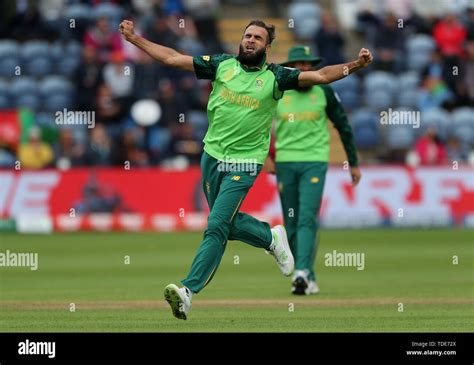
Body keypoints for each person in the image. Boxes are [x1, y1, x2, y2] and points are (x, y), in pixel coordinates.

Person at [119, 18, 372, 320]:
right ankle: (270, 238)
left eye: (258, 38)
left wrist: (355, 65)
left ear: (267, 47)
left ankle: (188, 290)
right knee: (225, 222)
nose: (250, 41)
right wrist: (135, 39)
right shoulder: (221, 65)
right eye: (247, 36)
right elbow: (172, 58)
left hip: (245, 162)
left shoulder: (276, 77)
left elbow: (319, 76)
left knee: (215, 225)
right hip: (212, 157)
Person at [263, 46, 361, 295]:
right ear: (291, 67)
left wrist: (354, 162)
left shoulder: (323, 90)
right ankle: (309, 277)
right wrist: (265, 157)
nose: (304, 69)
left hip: (314, 162)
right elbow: (259, 126)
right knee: (292, 222)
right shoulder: (278, 90)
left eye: (308, 65)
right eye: (298, 64)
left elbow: (343, 126)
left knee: (307, 217)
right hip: (285, 163)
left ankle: (301, 272)